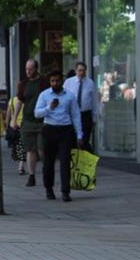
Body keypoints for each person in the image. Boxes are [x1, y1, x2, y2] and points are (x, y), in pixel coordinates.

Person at [35, 69, 83, 202]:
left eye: (57, 80)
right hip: (49, 129)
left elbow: (76, 115)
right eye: (52, 81)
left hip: (65, 131)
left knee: (65, 162)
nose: (55, 83)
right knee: (48, 162)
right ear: (50, 82)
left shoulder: (70, 96)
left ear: (62, 81)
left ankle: (65, 191)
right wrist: (49, 108)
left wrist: (79, 134)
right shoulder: (44, 95)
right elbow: (37, 113)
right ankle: (49, 188)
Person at [17, 59, 46, 187]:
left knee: (41, 149)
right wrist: (14, 118)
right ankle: (31, 175)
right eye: (26, 69)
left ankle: (46, 170)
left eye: (31, 69)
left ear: (36, 69)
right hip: (28, 120)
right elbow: (20, 101)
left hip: (42, 121)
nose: (28, 72)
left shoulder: (44, 82)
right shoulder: (23, 84)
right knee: (30, 149)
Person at [63, 62, 100, 152]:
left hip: (85, 115)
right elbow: (63, 98)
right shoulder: (69, 82)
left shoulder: (90, 83)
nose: (81, 73)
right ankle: (73, 162)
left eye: (83, 70)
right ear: (76, 71)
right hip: (72, 114)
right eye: (79, 70)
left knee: (84, 140)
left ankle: (84, 163)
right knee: (72, 140)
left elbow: (94, 102)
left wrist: (94, 118)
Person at [6, 88, 27, 174]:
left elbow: (8, 115)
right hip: (23, 124)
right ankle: (21, 166)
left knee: (18, 145)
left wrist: (7, 126)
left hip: (13, 125)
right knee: (22, 146)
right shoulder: (25, 100)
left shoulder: (11, 100)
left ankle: (20, 164)